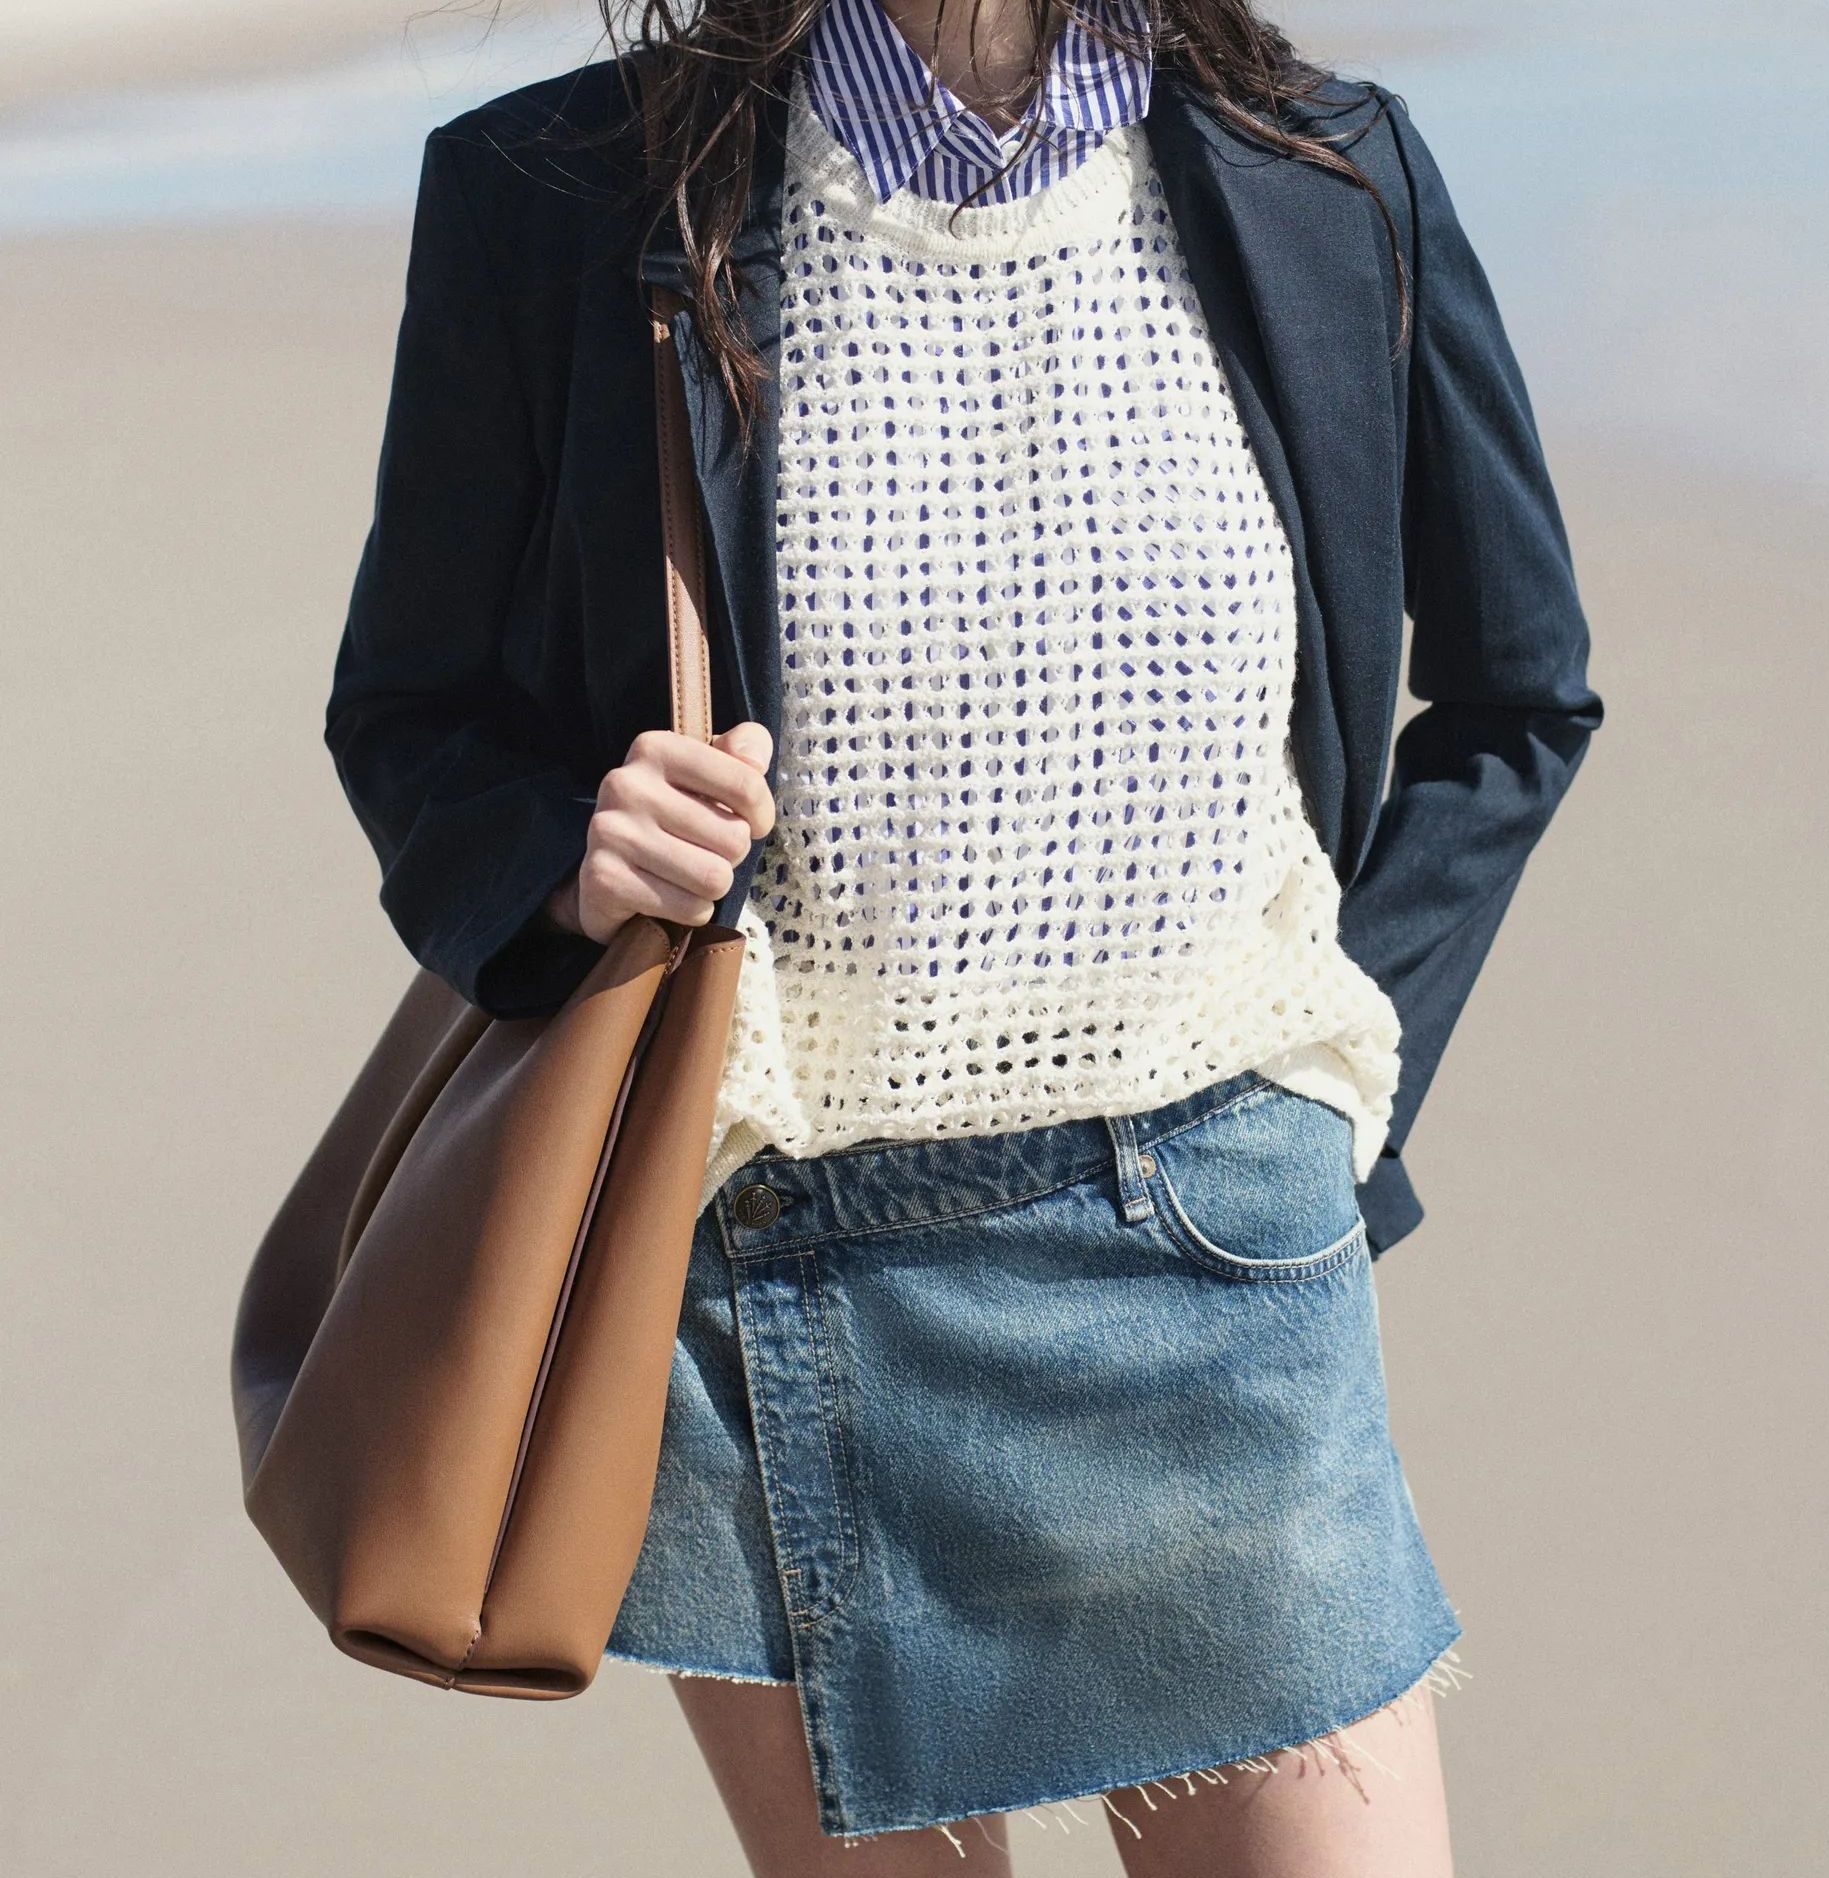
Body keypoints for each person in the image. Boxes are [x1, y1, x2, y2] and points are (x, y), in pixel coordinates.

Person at [324, 0, 1603, 1869]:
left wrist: (1335, 1090)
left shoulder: (1329, 175)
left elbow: (1517, 698)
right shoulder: (558, 192)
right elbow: (411, 711)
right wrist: (569, 857)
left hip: (1212, 1240)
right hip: (752, 1261)